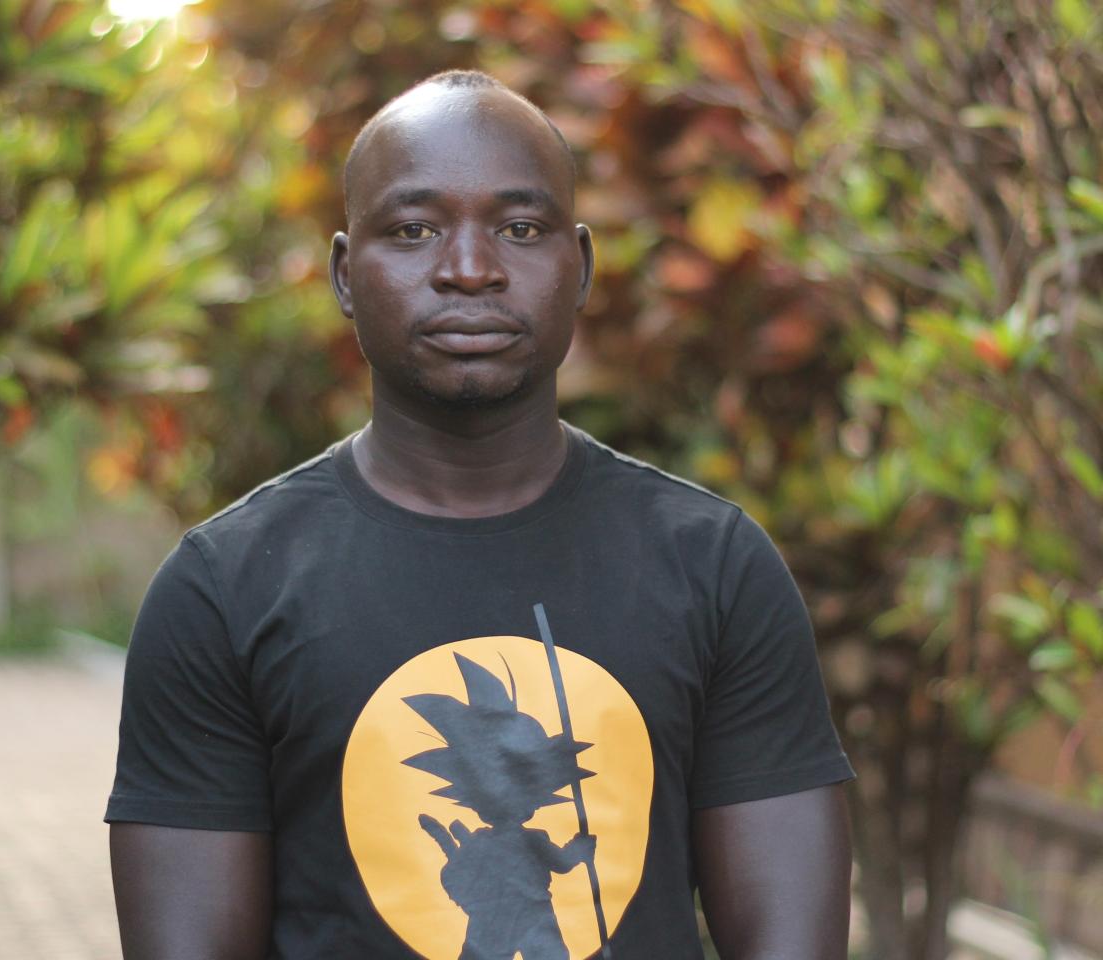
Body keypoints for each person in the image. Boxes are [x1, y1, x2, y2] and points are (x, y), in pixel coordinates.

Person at [106, 70, 854, 960]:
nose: (469, 269)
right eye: (414, 230)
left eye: (521, 229)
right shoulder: (224, 589)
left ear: (579, 266)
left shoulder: (715, 569)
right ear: (348, 274)